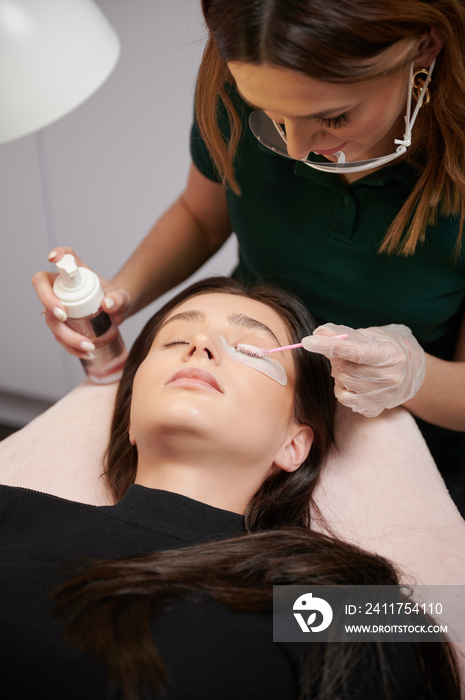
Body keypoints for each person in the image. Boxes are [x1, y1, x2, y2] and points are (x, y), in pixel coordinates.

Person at [33, 1, 465, 507]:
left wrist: (410, 374)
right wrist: (120, 293)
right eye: (274, 117)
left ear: (425, 45)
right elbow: (200, 216)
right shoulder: (246, 84)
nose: (298, 148)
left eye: (332, 117)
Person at [0, 278, 460, 699]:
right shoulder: (13, 511)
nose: (201, 344)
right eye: (176, 339)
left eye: (252, 349)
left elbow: (451, 623)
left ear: (294, 444)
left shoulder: (313, 594)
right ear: (129, 419)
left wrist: (420, 373)